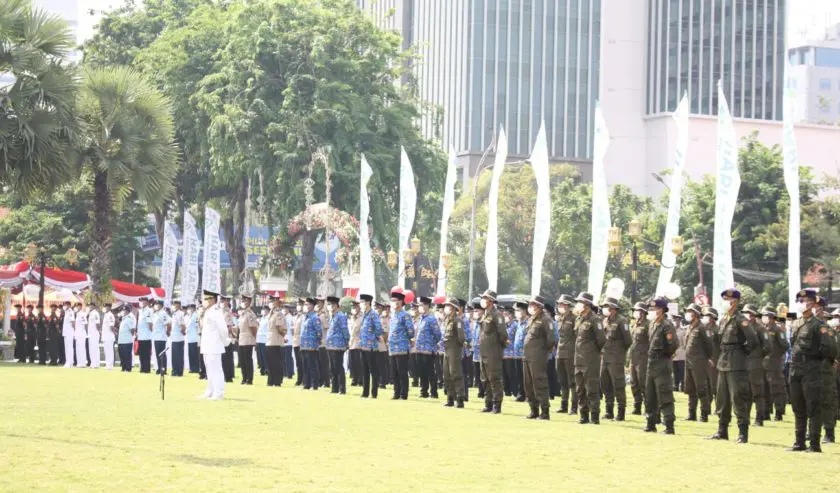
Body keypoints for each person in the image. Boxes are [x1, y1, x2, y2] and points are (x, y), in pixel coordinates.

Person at [786, 289, 836, 452]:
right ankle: (799, 442)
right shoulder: (796, 323)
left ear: (814, 303)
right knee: (798, 406)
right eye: (800, 300)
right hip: (795, 369)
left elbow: (830, 349)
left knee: (813, 406)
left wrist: (815, 360)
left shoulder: (820, 325)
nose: (803, 303)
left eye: (806, 300)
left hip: (812, 370)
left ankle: (814, 444)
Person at [709, 288, 759, 444]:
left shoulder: (741, 319)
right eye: (723, 299)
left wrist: (741, 352)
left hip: (737, 363)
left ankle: (743, 433)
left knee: (738, 398)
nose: (725, 302)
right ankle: (722, 430)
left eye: (728, 300)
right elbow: (718, 341)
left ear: (735, 302)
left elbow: (753, 341)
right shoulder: (723, 319)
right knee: (721, 399)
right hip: (723, 363)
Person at [642, 297, 679, 434]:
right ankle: (651, 423)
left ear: (662, 310)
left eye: (655, 308)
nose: (653, 311)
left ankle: (669, 425)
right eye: (652, 308)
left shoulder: (666, 325)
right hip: (651, 363)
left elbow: (673, 344)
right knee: (650, 395)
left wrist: (665, 355)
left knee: (664, 394)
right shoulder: (652, 324)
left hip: (662, 363)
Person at [573, 292, 605, 424]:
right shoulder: (579, 319)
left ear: (587, 304)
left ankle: (594, 416)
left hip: (590, 359)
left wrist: (593, 352)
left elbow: (601, 340)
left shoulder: (595, 319)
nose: (578, 304)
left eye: (580, 302)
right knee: (580, 389)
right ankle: (583, 415)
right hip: (578, 359)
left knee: (591, 388)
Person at [522, 295, 556, 420]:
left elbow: (551, 339)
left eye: (533, 304)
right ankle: (533, 410)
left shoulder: (546, 319)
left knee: (539, 382)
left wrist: (542, 351)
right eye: (530, 304)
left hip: (538, 356)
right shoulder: (531, 319)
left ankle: (545, 411)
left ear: (540, 306)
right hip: (527, 355)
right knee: (528, 384)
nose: (530, 307)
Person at [600, 297, 631, 421]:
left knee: (618, 385)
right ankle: (609, 411)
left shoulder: (622, 321)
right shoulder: (605, 321)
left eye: (607, 307)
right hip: (605, 357)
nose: (605, 309)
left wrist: (619, 353)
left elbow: (628, 340)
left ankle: (621, 412)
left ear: (613, 309)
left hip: (616, 358)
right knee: (605, 384)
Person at [683, 303, 714, 422]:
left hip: (699, 363)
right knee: (691, 389)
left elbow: (709, 345)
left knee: (701, 389)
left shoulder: (702, 328)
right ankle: (692, 414)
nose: (688, 314)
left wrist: (706, 358)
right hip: (689, 362)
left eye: (690, 312)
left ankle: (704, 414)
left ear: (696, 314)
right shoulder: (690, 327)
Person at [478, 290, 507, 414]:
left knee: (494, 378)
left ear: (491, 300)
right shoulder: (485, 314)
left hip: (493, 352)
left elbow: (503, 334)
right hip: (484, 351)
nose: (483, 300)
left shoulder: (497, 315)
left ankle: (496, 404)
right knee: (485, 379)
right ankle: (488, 403)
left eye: (485, 298)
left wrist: (498, 347)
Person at [742, 303, 771, 427]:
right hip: (744, 362)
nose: (747, 315)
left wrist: (759, 356)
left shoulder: (760, 328)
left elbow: (768, 346)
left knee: (757, 392)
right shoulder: (743, 326)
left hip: (755, 363)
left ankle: (759, 418)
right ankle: (745, 418)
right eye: (745, 312)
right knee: (745, 392)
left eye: (749, 313)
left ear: (754, 315)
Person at [815, 297, 839, 444]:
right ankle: (812, 432)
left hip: (825, 369)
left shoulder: (827, 328)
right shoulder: (805, 324)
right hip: (810, 369)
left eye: (815, 305)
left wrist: (833, 359)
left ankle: (829, 432)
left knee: (827, 401)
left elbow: (833, 350)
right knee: (811, 402)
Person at [760, 305, 790, 422]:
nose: (763, 318)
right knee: (765, 389)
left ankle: (778, 413)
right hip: (763, 364)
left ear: (771, 317)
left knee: (776, 389)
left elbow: (785, 345)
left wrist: (776, 356)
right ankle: (766, 412)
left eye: (765, 315)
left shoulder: (778, 329)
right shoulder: (762, 328)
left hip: (774, 364)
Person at [200, 290, 228, 400]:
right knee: (209, 369)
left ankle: (219, 392)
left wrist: (225, 341)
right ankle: (210, 390)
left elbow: (223, 329)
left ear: (212, 300)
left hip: (214, 345)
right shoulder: (208, 311)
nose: (203, 301)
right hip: (207, 345)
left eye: (205, 299)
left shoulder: (216, 312)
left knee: (216, 369)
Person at [440, 297, 467, 408]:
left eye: (448, 306)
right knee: (446, 375)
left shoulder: (458, 320)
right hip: (446, 349)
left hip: (454, 349)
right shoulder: (447, 320)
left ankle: (460, 399)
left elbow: (461, 337)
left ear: (453, 308)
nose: (446, 308)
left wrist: (461, 346)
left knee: (455, 373)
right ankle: (450, 398)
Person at [388, 287, 415, 400]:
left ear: (402, 302)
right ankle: (396, 392)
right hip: (393, 347)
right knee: (394, 372)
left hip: (402, 347)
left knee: (402, 372)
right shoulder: (393, 315)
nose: (394, 303)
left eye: (397, 301)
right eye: (393, 300)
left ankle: (404, 394)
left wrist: (406, 338)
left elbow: (411, 331)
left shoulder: (405, 315)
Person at [414, 296, 442, 399]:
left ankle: (433, 392)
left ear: (427, 306)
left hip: (428, 350)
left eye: (421, 305)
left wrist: (431, 343)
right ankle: (423, 391)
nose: (419, 307)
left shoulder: (431, 319)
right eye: (419, 305)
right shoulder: (420, 318)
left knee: (430, 371)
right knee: (421, 371)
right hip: (419, 349)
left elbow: (438, 334)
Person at [553, 295, 577, 414]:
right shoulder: (560, 318)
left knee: (572, 381)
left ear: (567, 305)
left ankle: (574, 407)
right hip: (560, 352)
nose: (559, 306)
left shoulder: (574, 318)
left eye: (561, 304)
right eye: (559, 304)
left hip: (570, 353)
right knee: (562, 380)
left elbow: (578, 336)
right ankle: (564, 405)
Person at [358, 294, 384, 399]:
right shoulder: (364, 314)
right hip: (363, 345)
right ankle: (365, 392)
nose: (361, 304)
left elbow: (378, 328)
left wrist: (377, 337)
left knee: (373, 370)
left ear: (368, 303)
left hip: (371, 346)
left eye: (362, 302)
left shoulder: (373, 314)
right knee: (365, 370)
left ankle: (374, 393)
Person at [325, 296, 350, 394]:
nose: (330, 306)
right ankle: (334, 388)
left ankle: (341, 388)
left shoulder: (340, 316)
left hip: (338, 345)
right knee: (332, 368)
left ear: (336, 305)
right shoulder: (332, 316)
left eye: (331, 304)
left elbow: (345, 330)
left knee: (338, 367)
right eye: (329, 304)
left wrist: (347, 341)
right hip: (331, 345)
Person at [628, 302, 650, 416]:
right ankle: (637, 406)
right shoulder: (634, 324)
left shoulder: (648, 325)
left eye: (638, 311)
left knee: (644, 383)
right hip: (634, 358)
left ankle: (648, 407)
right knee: (634, 383)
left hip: (643, 358)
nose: (636, 313)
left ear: (643, 312)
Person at [300, 297, 323, 390]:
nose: (306, 306)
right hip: (304, 345)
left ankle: (315, 384)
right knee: (305, 365)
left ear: (312, 306)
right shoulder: (306, 317)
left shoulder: (315, 317)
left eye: (308, 304)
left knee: (312, 365)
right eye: (305, 304)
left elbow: (319, 331)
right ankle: (307, 384)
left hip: (311, 345)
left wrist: (316, 342)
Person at [265, 296, 288, 387]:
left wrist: (283, 336)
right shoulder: (272, 313)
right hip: (270, 340)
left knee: (276, 362)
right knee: (270, 362)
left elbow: (280, 328)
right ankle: (271, 380)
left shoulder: (278, 314)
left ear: (277, 302)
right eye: (270, 301)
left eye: (273, 301)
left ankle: (277, 381)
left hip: (276, 340)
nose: (271, 303)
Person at [236, 296, 259, 385]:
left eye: (245, 301)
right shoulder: (242, 313)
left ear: (249, 302)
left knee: (247, 360)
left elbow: (253, 328)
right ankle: (244, 378)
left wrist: (255, 339)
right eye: (242, 301)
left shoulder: (250, 314)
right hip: (241, 339)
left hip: (248, 339)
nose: (243, 302)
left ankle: (249, 379)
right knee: (242, 360)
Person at [702, 306, 721, 412]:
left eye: (708, 315)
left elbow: (720, 346)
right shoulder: (703, 328)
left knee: (715, 386)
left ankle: (718, 408)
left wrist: (714, 359)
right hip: (704, 360)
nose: (705, 317)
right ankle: (707, 408)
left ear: (713, 317)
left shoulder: (717, 330)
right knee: (706, 385)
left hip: (714, 361)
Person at [502, 307, 519, 398]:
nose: (505, 316)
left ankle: (515, 391)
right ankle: (507, 391)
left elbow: (517, 339)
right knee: (504, 374)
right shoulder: (503, 325)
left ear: (511, 315)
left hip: (511, 353)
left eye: (506, 315)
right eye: (503, 315)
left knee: (511, 373)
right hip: (503, 353)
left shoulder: (515, 325)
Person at [513, 302, 527, 403]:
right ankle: (521, 394)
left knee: (526, 376)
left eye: (518, 310)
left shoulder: (528, 323)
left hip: (525, 354)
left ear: (525, 311)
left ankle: (527, 394)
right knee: (519, 375)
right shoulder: (519, 323)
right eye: (515, 311)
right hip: (517, 354)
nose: (516, 313)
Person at [220, 295, 236, 383]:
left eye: (224, 301)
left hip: (226, 337)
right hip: (221, 337)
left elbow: (229, 326)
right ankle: (225, 375)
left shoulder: (227, 312)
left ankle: (228, 376)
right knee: (223, 358)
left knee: (227, 358)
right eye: (221, 301)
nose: (222, 302)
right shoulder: (219, 311)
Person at [316, 297, 331, 389]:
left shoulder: (324, 314)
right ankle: (320, 381)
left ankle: (326, 382)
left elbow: (326, 327)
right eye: (317, 302)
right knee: (319, 363)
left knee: (324, 363)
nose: (318, 303)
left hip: (323, 341)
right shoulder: (318, 313)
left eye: (319, 302)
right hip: (318, 342)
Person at [150, 301, 169, 375]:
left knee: (162, 354)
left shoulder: (163, 313)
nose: (155, 306)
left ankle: (163, 369)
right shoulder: (156, 314)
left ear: (161, 305)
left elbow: (167, 324)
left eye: (157, 304)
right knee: (158, 354)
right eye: (155, 304)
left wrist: (167, 332)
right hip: (156, 336)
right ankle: (159, 368)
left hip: (161, 337)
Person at [470, 302, 484, 400]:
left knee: (484, 374)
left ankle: (485, 391)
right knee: (477, 374)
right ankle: (480, 391)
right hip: (476, 352)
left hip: (484, 353)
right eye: (474, 311)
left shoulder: (484, 321)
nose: (475, 312)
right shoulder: (475, 323)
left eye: (477, 310)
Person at [136, 298, 154, 373]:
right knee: (141, 354)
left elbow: (150, 323)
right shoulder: (140, 311)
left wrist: (151, 333)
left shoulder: (148, 311)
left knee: (146, 354)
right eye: (140, 301)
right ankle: (142, 368)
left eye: (142, 301)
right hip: (141, 336)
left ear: (146, 302)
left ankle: (146, 369)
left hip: (146, 336)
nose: (141, 302)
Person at [349, 300, 363, 387]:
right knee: (352, 362)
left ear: (359, 308)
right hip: (352, 342)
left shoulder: (361, 317)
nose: (353, 309)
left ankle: (360, 379)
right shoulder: (352, 317)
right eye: (352, 307)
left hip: (358, 342)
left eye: (355, 307)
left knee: (359, 363)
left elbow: (357, 329)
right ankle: (354, 378)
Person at [117, 306, 135, 372]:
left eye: (124, 311)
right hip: (121, 341)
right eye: (122, 311)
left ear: (127, 311)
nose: (122, 312)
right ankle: (123, 367)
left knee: (127, 355)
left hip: (127, 341)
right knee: (121, 354)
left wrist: (129, 337)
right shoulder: (123, 319)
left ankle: (128, 368)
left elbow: (132, 330)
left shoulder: (129, 319)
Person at [293, 299, 305, 386]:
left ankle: (304, 379)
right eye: (297, 304)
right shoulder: (296, 316)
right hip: (296, 341)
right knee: (298, 362)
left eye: (300, 304)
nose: (298, 306)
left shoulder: (304, 316)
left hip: (302, 342)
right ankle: (299, 379)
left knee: (302, 362)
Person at [186, 304, 201, 373]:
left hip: (194, 337)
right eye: (189, 308)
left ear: (194, 308)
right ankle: (191, 368)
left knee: (194, 354)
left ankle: (196, 368)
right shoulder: (190, 316)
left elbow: (197, 325)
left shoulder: (196, 316)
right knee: (191, 354)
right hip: (190, 338)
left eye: (190, 308)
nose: (189, 309)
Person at [101, 303, 116, 370]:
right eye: (104, 307)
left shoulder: (110, 315)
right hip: (105, 336)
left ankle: (110, 365)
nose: (105, 308)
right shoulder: (106, 315)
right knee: (106, 351)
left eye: (106, 307)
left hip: (109, 336)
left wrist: (114, 333)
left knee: (109, 351)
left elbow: (111, 326)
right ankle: (107, 364)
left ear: (109, 308)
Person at [283, 304, 295, 380]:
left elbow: (292, 330)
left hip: (289, 339)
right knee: (283, 358)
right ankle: (285, 372)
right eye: (283, 308)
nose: (284, 310)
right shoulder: (283, 317)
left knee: (288, 358)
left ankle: (290, 373)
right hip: (283, 339)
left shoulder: (290, 318)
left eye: (286, 309)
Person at [256, 305, 269, 376]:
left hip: (265, 340)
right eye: (262, 310)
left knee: (265, 356)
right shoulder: (261, 319)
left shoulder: (268, 319)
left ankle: (267, 369)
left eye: (264, 310)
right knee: (260, 356)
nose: (263, 311)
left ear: (267, 311)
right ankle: (262, 369)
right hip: (259, 339)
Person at [74, 303, 88, 368]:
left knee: (82, 348)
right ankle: (79, 363)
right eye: (76, 306)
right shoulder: (77, 314)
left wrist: (85, 332)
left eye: (78, 306)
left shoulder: (82, 314)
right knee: (78, 349)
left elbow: (85, 324)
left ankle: (83, 363)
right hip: (77, 333)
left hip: (82, 334)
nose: (76, 307)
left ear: (80, 306)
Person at [61, 301, 74, 367]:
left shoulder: (70, 312)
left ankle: (70, 362)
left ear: (68, 305)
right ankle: (68, 362)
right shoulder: (66, 312)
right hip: (66, 332)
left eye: (65, 305)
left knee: (69, 347)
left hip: (69, 332)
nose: (64, 306)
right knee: (66, 348)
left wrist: (73, 331)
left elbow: (73, 322)